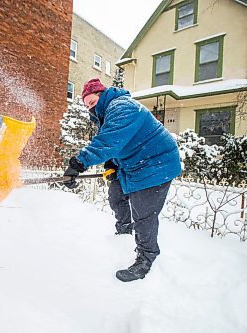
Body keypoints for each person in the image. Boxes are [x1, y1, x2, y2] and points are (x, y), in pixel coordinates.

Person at [63, 78, 181, 282]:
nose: (90, 108)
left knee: (143, 213)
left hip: (156, 163)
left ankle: (146, 258)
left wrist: (78, 164)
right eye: (87, 105)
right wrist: (112, 164)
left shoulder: (122, 107)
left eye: (92, 102)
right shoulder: (109, 111)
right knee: (116, 196)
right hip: (134, 163)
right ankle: (125, 233)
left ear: (102, 95)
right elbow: (120, 144)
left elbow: (109, 140)